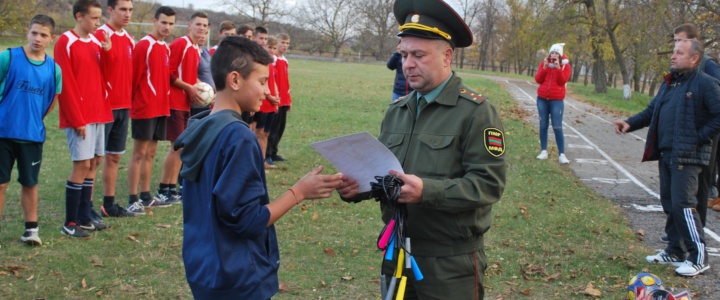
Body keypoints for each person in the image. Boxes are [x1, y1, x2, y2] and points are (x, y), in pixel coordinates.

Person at [335, 0, 507, 298]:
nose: (407, 64)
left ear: (447, 56)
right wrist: (357, 187)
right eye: (403, 55)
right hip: (396, 252)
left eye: (418, 55)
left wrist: (427, 191)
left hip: (449, 263)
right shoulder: (397, 110)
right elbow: (386, 175)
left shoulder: (476, 112)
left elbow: (489, 185)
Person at [174, 36, 342, 299]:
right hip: (237, 275)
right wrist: (299, 192)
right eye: (262, 82)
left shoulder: (200, 125)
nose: (266, 91)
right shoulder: (238, 137)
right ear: (235, 80)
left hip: (203, 268)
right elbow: (247, 220)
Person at [612, 39, 720, 277]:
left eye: (679, 53)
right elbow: (652, 111)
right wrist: (629, 123)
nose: (673, 56)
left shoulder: (705, 83)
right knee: (670, 203)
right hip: (667, 152)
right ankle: (675, 251)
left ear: (694, 59)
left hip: (689, 156)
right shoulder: (670, 84)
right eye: (673, 52)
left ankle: (698, 256)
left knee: (684, 204)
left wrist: (696, 138)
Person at [0, 14, 62, 247]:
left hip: (32, 136)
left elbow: (49, 103)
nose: (38, 38)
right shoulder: (8, 57)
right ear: (27, 32)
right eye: (34, 32)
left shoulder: (54, 69)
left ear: (51, 38)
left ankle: (31, 230)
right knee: (1, 183)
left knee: (30, 183)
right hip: (3, 133)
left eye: (43, 35)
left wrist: (30, 120)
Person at [54, 0, 113, 238]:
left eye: (99, 18)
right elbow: (64, 83)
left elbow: (104, 76)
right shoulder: (65, 42)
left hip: (98, 112)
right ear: (79, 16)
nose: (98, 23)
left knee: (94, 163)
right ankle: (70, 222)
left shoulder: (97, 42)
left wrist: (107, 53)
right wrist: (76, 118)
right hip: (80, 116)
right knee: (81, 165)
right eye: (94, 18)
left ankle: (84, 216)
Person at [126, 6, 176, 215]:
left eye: (171, 24)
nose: (167, 27)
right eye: (163, 22)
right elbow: (134, 77)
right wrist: (135, 103)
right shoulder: (144, 45)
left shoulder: (166, 47)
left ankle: (146, 196)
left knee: (151, 153)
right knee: (139, 153)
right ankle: (132, 198)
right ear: (155, 21)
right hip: (144, 108)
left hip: (160, 108)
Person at [671, 24, 720, 230]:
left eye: (679, 40)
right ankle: (679, 234)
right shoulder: (681, 68)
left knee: (702, 183)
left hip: (706, 132)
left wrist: (700, 133)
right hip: (688, 132)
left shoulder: (708, 65)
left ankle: (698, 229)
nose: (675, 45)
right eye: (674, 42)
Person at [157, 11, 208, 205]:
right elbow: (169, 73)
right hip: (175, 103)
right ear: (189, 26)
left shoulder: (195, 48)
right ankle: (163, 189)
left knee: (182, 147)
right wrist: (189, 87)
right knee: (176, 147)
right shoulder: (181, 44)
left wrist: (201, 87)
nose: (201, 28)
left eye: (204, 25)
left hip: (186, 104)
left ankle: (171, 188)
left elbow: (188, 75)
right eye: (198, 24)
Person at [95, 0, 136, 218]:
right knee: (94, 160)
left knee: (114, 157)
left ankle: (108, 205)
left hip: (124, 106)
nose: (127, 14)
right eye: (123, 9)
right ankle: (86, 208)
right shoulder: (100, 34)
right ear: (110, 10)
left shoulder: (129, 38)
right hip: (104, 107)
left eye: (130, 10)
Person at [534, 43, 571, 164]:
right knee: (543, 124)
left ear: (560, 55)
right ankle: (543, 151)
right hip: (542, 99)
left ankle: (562, 154)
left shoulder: (565, 66)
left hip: (557, 100)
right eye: (552, 53)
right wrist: (545, 67)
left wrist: (558, 68)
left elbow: (562, 81)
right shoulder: (544, 64)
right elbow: (538, 79)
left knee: (557, 126)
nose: (554, 55)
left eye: (556, 53)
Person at [255, 35, 280, 170]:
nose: (271, 50)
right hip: (263, 104)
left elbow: (273, 82)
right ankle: (255, 162)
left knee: (266, 134)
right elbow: (262, 83)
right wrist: (269, 96)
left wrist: (275, 100)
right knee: (258, 133)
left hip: (271, 105)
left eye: (273, 48)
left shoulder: (271, 64)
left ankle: (262, 161)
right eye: (269, 47)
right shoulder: (261, 63)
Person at [266, 33, 291, 165]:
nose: (284, 46)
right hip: (274, 100)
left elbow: (286, 82)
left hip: (283, 101)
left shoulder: (284, 60)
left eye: (287, 43)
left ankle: (274, 152)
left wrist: (288, 99)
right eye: (282, 42)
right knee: (272, 129)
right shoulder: (273, 59)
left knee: (280, 128)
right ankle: (268, 154)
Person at [192, 31, 214, 117]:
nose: (203, 36)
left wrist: (215, 93)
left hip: (208, 100)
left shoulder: (205, 50)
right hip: (198, 100)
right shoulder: (191, 50)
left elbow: (210, 74)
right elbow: (190, 74)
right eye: (200, 33)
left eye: (205, 33)